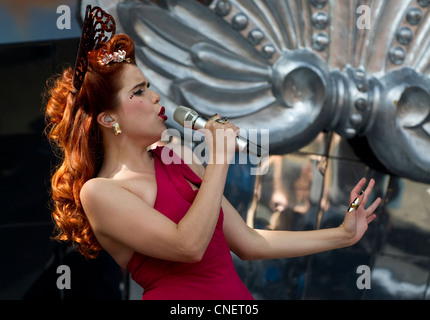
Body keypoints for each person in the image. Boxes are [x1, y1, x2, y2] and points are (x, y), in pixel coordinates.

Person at [44, 6, 381, 300]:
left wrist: (342, 235)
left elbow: (248, 243)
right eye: (139, 91)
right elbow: (188, 247)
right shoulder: (100, 192)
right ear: (107, 118)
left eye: (149, 86)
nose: (155, 97)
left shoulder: (177, 158)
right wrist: (219, 158)